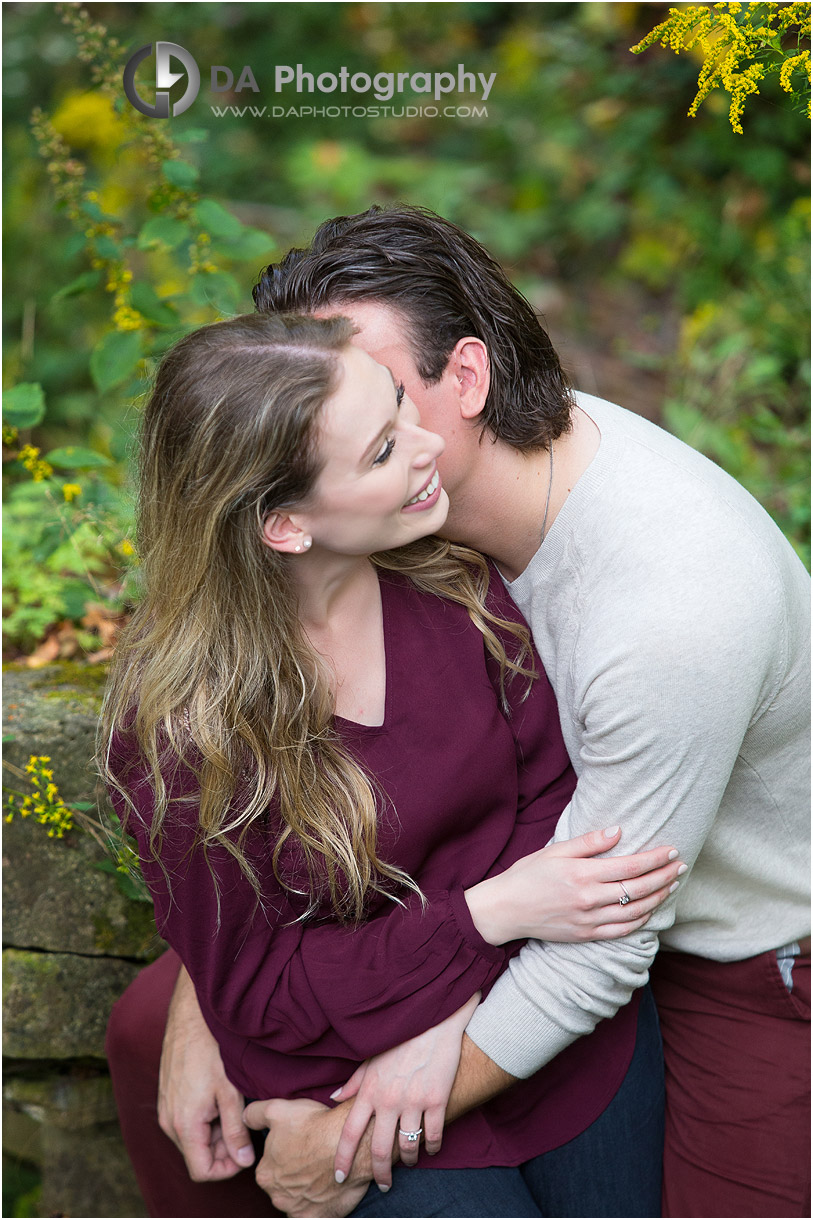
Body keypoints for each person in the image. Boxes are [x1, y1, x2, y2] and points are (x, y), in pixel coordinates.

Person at [112, 206, 810, 1219]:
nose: (346, 406)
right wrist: (205, 1002)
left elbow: (604, 918)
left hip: (738, 945)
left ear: (467, 379)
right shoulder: (399, 537)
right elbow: (253, 919)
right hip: (512, 929)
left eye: (385, 395)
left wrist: (380, 1108)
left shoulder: (661, 607)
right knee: (147, 1027)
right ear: (287, 516)